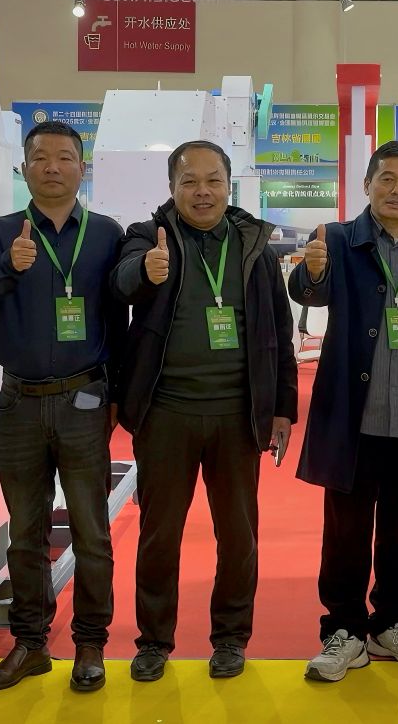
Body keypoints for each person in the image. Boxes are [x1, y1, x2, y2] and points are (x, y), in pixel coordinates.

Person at [111, 140, 298, 682]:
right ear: (172, 187)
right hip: (166, 413)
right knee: (159, 534)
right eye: (189, 181)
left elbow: (279, 330)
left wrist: (282, 407)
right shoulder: (149, 236)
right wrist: (145, 270)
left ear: (228, 184)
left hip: (238, 415)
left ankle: (231, 638)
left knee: (238, 535)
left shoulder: (253, 245)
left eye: (213, 180)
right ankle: (153, 641)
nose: (202, 191)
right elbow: (120, 282)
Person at [289, 140, 398, 683]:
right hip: (355, 413)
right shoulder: (338, 240)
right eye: (387, 179)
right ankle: (343, 628)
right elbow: (310, 292)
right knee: (344, 530)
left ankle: (392, 622)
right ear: (367, 184)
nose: (397, 190)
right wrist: (311, 273)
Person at [0, 121, 126, 694]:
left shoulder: (105, 234)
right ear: (24, 168)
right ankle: (30, 644)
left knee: (91, 530)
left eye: (64, 157)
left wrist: (117, 395)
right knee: (25, 533)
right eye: (40, 157)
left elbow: (120, 317)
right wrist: (8, 267)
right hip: (20, 403)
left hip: (85, 398)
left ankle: (90, 643)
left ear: (82, 167)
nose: (52, 166)